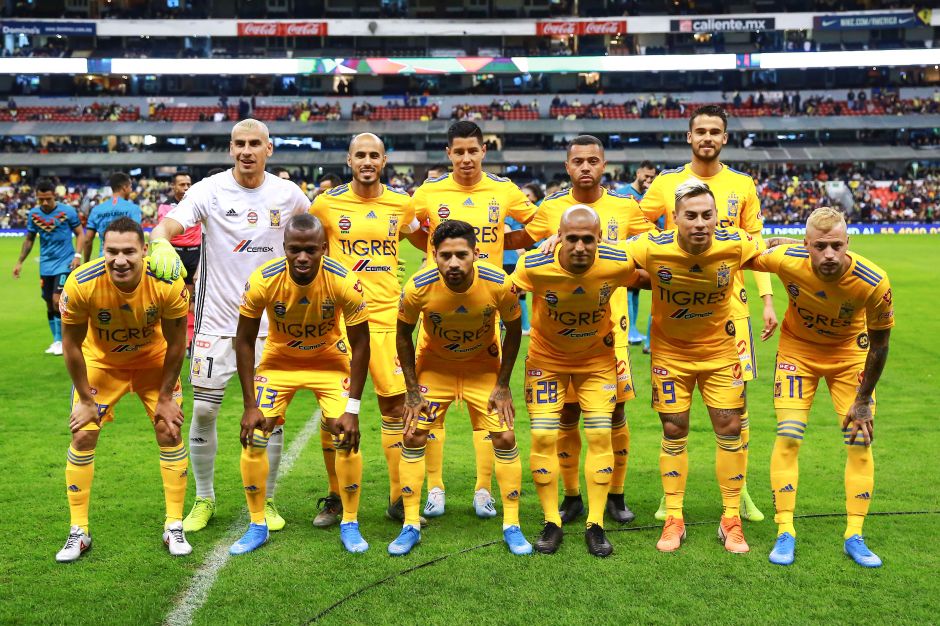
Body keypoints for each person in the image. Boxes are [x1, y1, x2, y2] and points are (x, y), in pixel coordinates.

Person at [148, 119, 312, 533]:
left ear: (269, 149)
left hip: (271, 329)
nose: (246, 150)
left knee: (270, 417)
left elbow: (315, 234)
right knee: (203, 411)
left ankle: (268, 500)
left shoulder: (288, 194)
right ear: (230, 147)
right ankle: (204, 498)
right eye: (239, 143)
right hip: (216, 324)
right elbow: (170, 224)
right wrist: (160, 240)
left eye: (254, 143)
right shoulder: (209, 189)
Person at [640, 104, 777, 522]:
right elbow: (636, 229)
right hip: (677, 309)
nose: (707, 137)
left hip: (731, 309)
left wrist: (767, 298)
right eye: (700, 130)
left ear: (724, 138)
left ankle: (741, 492)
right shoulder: (666, 184)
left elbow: (756, 246)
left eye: (714, 131)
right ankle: (671, 496)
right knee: (673, 418)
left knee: (736, 411)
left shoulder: (742, 184)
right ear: (688, 136)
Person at [506, 136, 652, 525]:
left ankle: (615, 495)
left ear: (603, 165)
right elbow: (524, 244)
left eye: (593, 161)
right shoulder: (551, 207)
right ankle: (571, 496)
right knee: (567, 413)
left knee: (614, 414)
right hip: (558, 333)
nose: (585, 167)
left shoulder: (625, 206)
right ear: (567, 166)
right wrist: (474, 243)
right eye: (578, 161)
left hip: (611, 329)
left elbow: (650, 247)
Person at [748, 207, 893, 568]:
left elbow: (880, 345)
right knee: (789, 436)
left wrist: (862, 401)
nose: (829, 254)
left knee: (859, 439)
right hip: (798, 352)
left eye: (837, 246)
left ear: (848, 243)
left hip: (850, 357)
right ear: (807, 244)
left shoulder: (873, 281)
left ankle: (854, 535)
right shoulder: (787, 258)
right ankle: (785, 530)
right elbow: (746, 252)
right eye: (820, 246)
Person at [625, 180, 765, 554]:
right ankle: (674, 517)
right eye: (691, 216)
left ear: (717, 217)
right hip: (671, 355)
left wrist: (814, 250)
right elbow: (606, 255)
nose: (700, 223)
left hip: (721, 352)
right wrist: (557, 241)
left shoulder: (734, 243)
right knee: (674, 428)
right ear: (675, 218)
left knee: (730, 426)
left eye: (707, 215)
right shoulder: (652, 246)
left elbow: (772, 254)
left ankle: (731, 518)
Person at [409, 120, 537, 520]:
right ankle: (434, 487)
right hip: (437, 309)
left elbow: (536, 227)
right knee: (431, 414)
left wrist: (504, 241)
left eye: (473, 151)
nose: (466, 158)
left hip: (486, 306)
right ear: (449, 154)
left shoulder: (504, 189)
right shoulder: (429, 192)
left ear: (484, 151)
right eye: (458, 151)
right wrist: (436, 252)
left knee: (489, 414)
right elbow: (409, 228)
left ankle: (484, 489)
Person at [230, 215, 371, 555]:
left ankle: (350, 522)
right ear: (285, 248)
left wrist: (352, 409)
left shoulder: (343, 281)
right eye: (295, 250)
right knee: (255, 435)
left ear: (324, 248)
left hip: (329, 364)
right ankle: (257, 523)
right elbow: (245, 340)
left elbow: (362, 344)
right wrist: (250, 405)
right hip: (280, 364)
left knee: (344, 434)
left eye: (311, 250)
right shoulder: (263, 279)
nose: (303, 258)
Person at [55, 217, 190, 562]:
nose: (120, 260)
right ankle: (78, 531)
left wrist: (164, 397)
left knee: (169, 429)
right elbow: (71, 346)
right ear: (102, 251)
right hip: (103, 365)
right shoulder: (81, 284)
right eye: (112, 251)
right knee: (83, 434)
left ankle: (174, 524)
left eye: (129, 251)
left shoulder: (167, 282)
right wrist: (85, 400)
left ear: (144, 251)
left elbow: (177, 342)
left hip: (154, 363)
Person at [392, 219, 529, 556]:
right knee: (412, 435)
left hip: (482, 368)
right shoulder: (417, 287)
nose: (453, 263)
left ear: (475, 254)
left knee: (506, 436)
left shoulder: (499, 283)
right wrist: (411, 390)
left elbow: (514, 330)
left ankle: (512, 524)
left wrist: (502, 384)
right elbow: (402, 335)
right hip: (435, 369)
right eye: (445, 256)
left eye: (461, 255)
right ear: (434, 255)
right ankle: (410, 524)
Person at [309, 133, 423, 527]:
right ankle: (335, 497)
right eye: (361, 155)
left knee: (393, 405)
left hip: (388, 318)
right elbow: (309, 248)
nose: (368, 161)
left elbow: (417, 235)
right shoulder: (325, 204)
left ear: (385, 160)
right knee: (335, 412)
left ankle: (397, 497)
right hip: (340, 320)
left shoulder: (400, 203)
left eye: (375, 155)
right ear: (349, 160)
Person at [512, 205, 639, 557]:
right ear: (558, 238)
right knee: (542, 435)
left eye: (588, 239)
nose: (580, 246)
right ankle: (552, 521)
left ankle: (595, 524)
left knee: (600, 433)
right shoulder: (534, 265)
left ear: (599, 239)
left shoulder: (617, 262)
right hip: (546, 363)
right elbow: (505, 297)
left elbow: (650, 272)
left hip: (597, 362)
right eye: (572, 239)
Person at [13, 178, 85, 356]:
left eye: (48, 199)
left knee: (57, 300)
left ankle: (66, 341)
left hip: (65, 262)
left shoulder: (67, 211)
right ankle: (57, 340)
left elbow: (80, 233)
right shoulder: (34, 214)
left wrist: (77, 255)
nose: (45, 203)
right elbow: (29, 239)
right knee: (48, 303)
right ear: (37, 198)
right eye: (41, 199)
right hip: (46, 265)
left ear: (55, 195)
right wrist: (20, 262)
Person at [156, 172, 198, 346]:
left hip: (195, 253)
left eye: (188, 184)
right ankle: (169, 338)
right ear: (173, 186)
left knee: (189, 299)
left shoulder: (197, 203)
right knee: (172, 298)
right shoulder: (165, 207)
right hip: (175, 253)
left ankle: (189, 340)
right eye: (182, 184)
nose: (186, 187)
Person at [620, 161, 658, 350]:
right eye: (646, 176)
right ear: (638, 173)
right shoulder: (622, 193)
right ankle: (627, 330)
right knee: (627, 288)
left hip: (645, 248)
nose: (648, 180)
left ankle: (633, 328)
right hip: (626, 247)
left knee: (637, 290)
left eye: (652, 177)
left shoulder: (652, 196)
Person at [83, 172, 142, 262]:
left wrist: (86, 262)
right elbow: (137, 236)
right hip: (125, 260)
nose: (131, 191)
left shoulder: (97, 210)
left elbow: (88, 240)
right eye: (130, 187)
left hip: (103, 259)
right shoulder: (133, 209)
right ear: (124, 188)